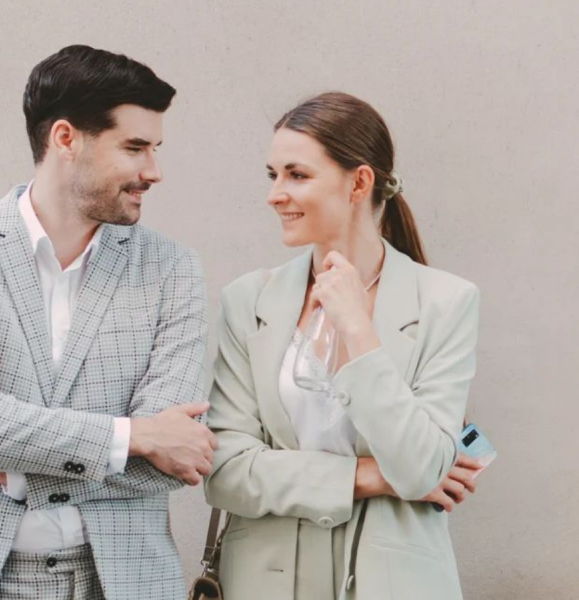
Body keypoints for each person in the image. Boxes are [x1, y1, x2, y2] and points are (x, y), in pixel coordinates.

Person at [0, 45, 216, 600]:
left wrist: (13, 466)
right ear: (66, 139)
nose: (154, 171)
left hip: (122, 579)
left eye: (155, 148)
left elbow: (175, 459)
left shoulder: (172, 269)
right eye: (134, 147)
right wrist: (137, 436)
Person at [204, 91, 484, 600]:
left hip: (393, 582)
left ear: (359, 182)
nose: (275, 194)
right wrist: (369, 476)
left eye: (297, 175)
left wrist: (358, 329)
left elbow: (421, 467)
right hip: (266, 581)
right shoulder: (248, 300)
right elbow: (225, 472)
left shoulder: (448, 302)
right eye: (273, 175)